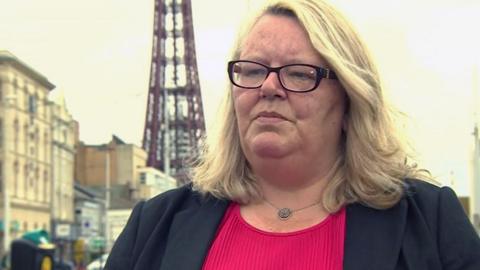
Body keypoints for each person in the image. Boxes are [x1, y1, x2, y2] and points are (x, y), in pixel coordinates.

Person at [105, 0, 480, 269]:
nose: (269, 87)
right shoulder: (155, 225)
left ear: (351, 101)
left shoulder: (431, 224)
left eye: (299, 73)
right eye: (252, 70)